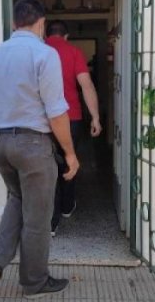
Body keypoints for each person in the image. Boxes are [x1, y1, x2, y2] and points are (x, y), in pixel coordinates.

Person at [0, 0, 80, 299]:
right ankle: (35, 282)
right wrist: (70, 153)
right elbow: (56, 111)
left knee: (16, 196)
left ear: (14, 23)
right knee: (37, 216)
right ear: (41, 23)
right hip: (31, 144)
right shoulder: (44, 53)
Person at [45, 20, 102, 236]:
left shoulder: (39, 50)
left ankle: (51, 222)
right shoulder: (74, 52)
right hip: (71, 117)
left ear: (46, 32)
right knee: (69, 161)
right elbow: (86, 85)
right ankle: (67, 207)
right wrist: (95, 117)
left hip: (43, 120)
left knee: (47, 167)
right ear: (66, 36)